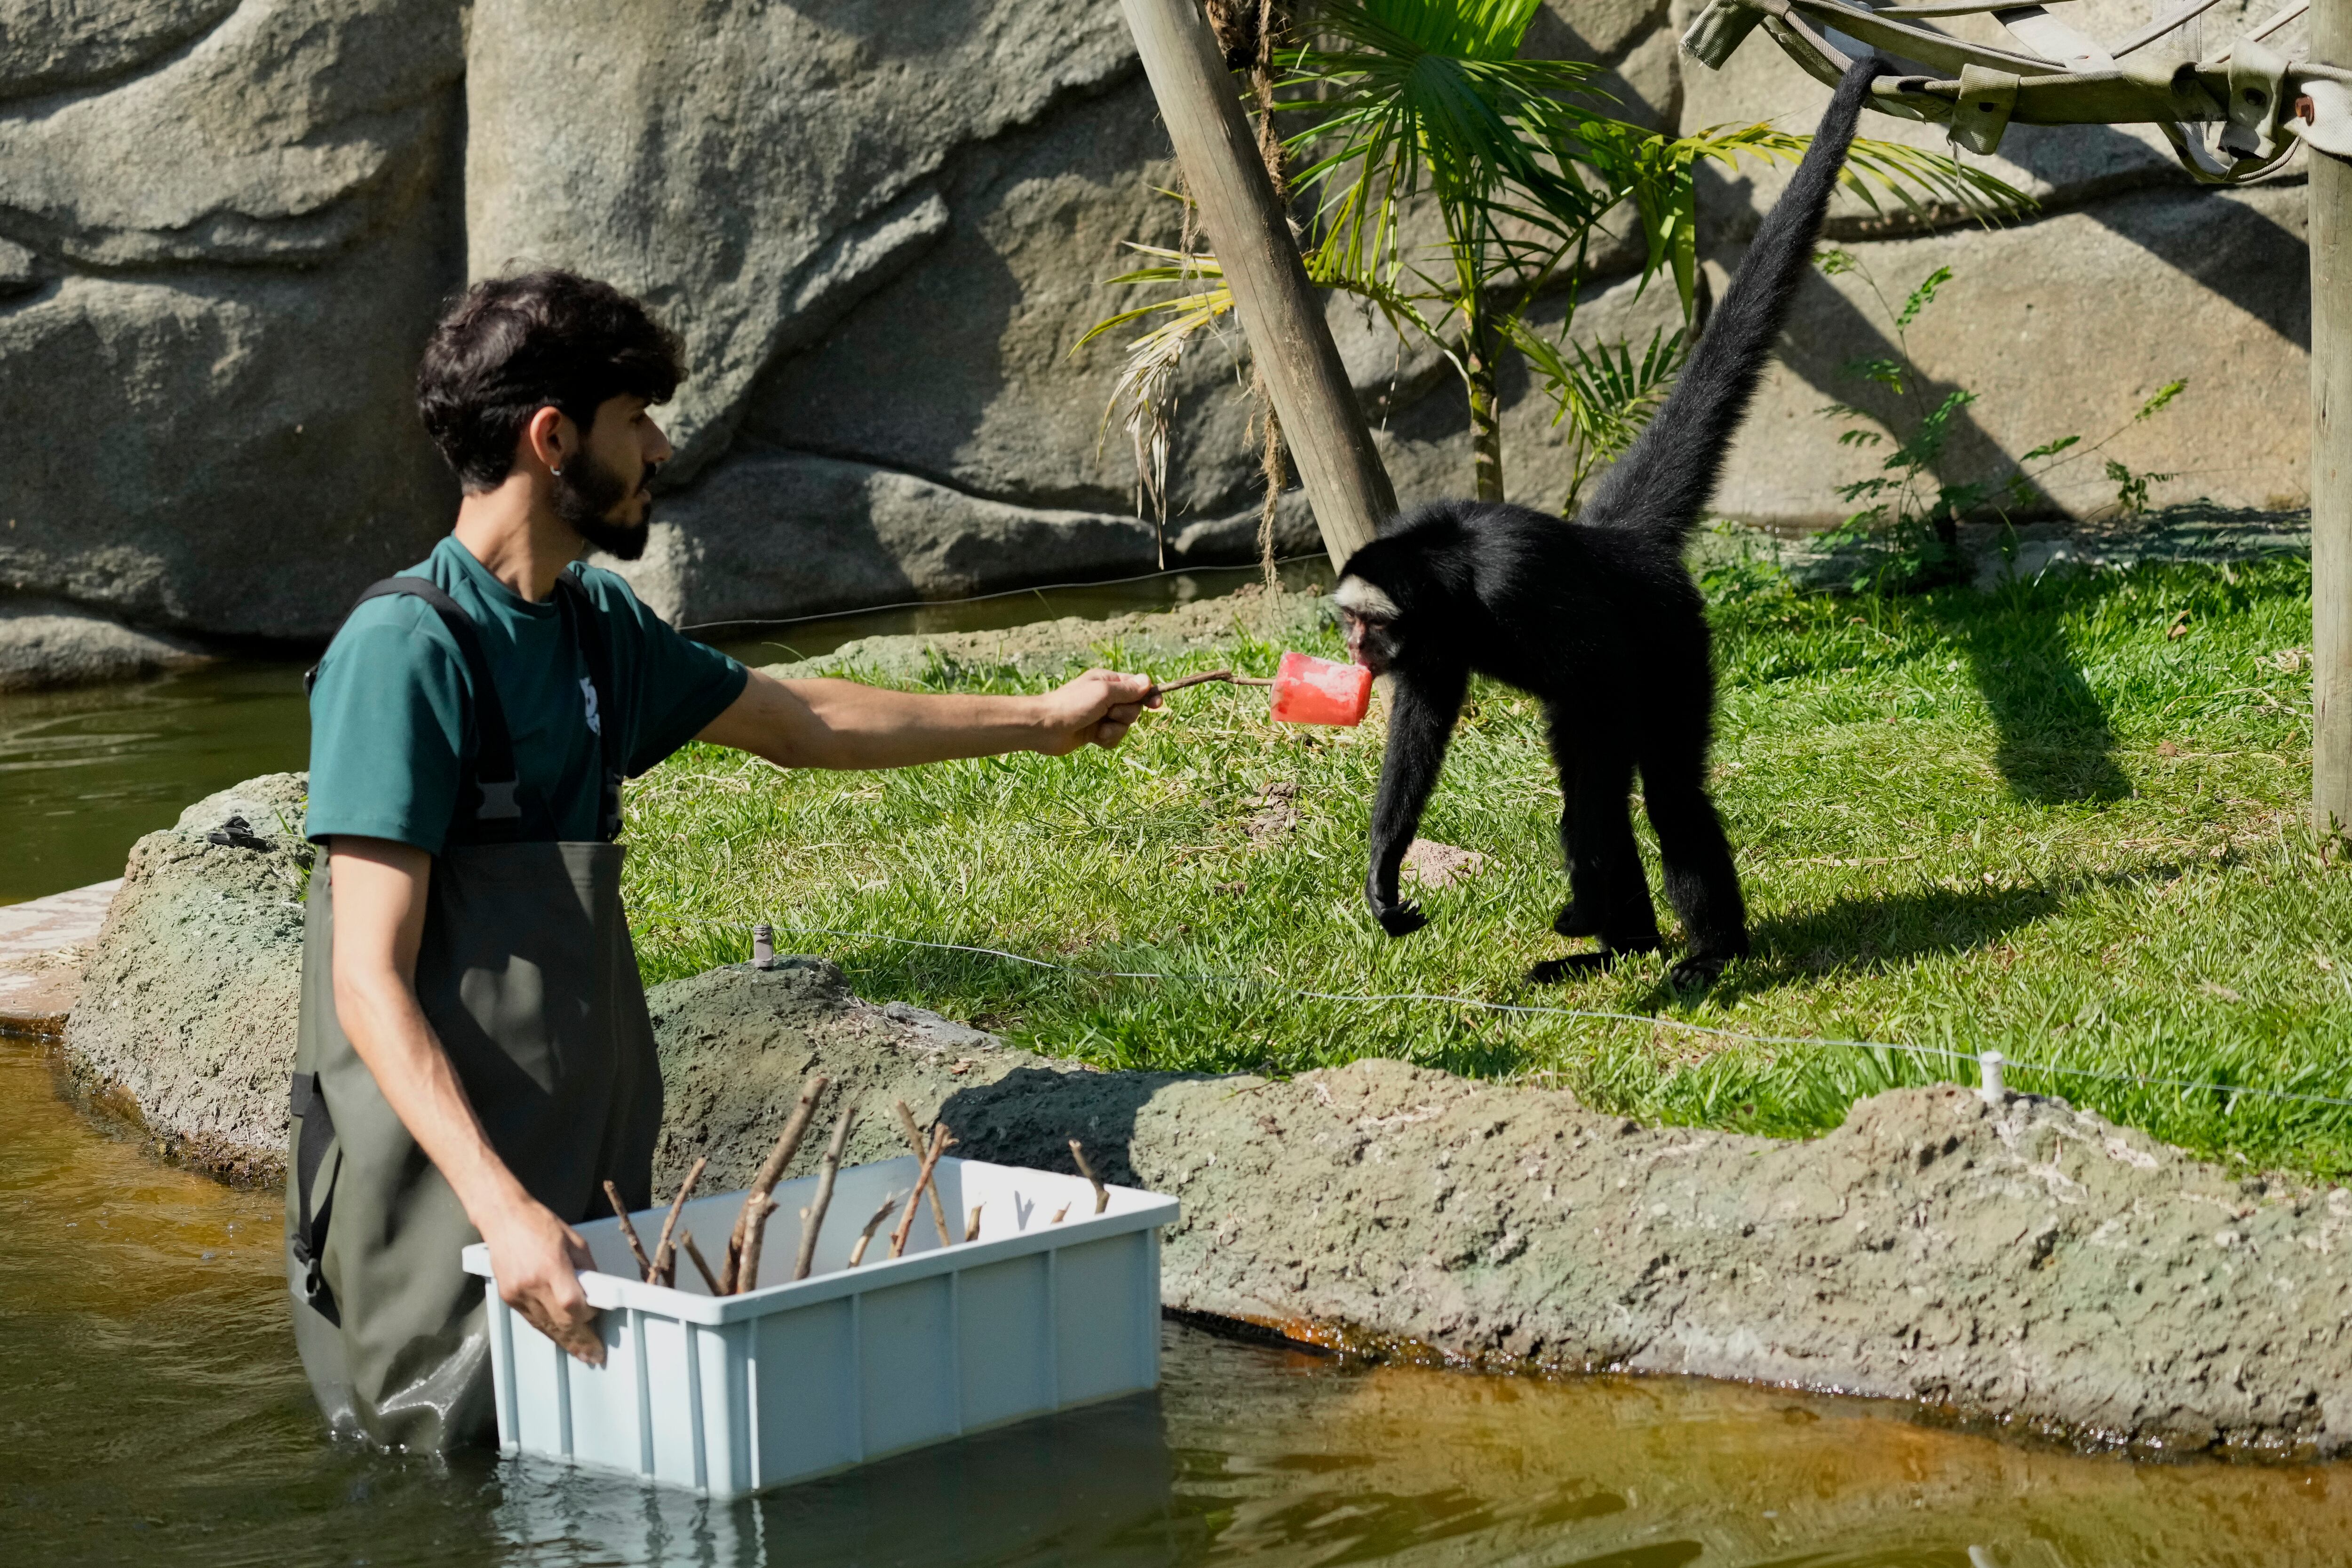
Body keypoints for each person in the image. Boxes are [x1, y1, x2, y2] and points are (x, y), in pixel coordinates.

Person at [288, 270, 1156, 1451]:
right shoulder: (404, 650)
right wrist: (507, 1214)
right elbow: (366, 980)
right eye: (635, 417)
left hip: (581, 1194)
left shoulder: (596, 627)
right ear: (553, 439)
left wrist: (1042, 719)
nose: (661, 445)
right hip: (452, 1215)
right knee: (440, 1483)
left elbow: (802, 722)